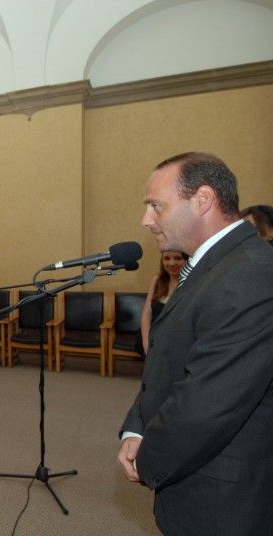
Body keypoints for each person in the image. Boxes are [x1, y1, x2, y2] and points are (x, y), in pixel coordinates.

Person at [117, 152, 273, 535]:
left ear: (202, 200)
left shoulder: (248, 273)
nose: (146, 219)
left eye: (156, 206)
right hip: (195, 478)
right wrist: (136, 428)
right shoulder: (212, 265)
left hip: (225, 500)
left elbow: (208, 402)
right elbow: (169, 360)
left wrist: (148, 459)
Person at [138, 250, 189, 355]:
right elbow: (147, 313)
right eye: (167, 258)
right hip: (152, 337)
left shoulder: (192, 283)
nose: (171, 263)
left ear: (187, 260)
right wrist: (146, 343)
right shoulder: (157, 280)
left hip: (175, 342)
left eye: (178, 258)